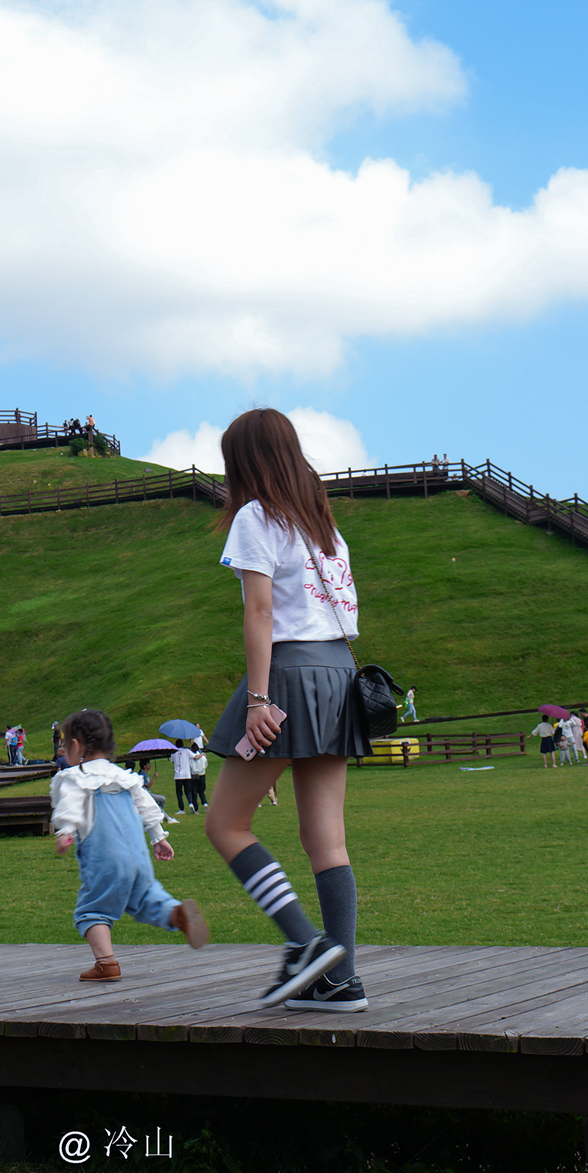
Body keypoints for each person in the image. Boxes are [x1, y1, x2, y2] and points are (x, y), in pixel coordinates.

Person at [202, 408, 367, 1012]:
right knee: (326, 838)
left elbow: (261, 614)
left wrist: (258, 700)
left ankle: (305, 946)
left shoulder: (255, 518)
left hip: (290, 673)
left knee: (224, 824)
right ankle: (341, 980)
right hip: (339, 673)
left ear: (244, 461)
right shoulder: (325, 528)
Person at [51, 708, 208, 981]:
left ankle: (106, 963)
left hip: (105, 857)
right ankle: (177, 914)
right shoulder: (124, 776)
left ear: (76, 746)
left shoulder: (76, 777)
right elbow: (146, 804)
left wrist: (65, 832)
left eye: (64, 744)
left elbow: (70, 806)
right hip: (137, 855)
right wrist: (158, 836)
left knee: (92, 909)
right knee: (146, 897)